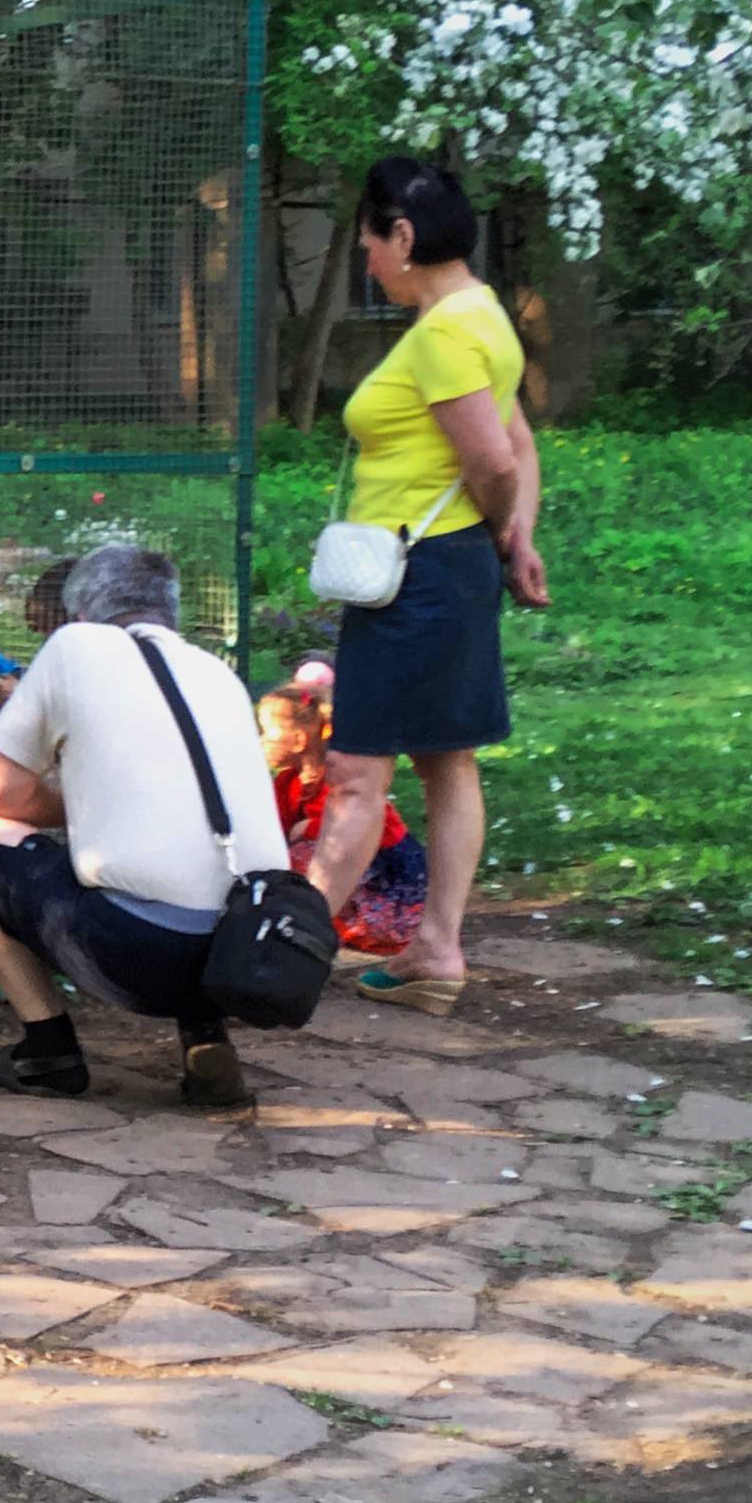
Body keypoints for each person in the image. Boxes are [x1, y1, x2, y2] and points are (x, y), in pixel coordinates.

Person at [301, 160, 549, 1017]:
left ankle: (283, 950)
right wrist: (516, 541)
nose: (367, 258)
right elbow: (519, 444)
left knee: (356, 770)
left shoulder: (445, 332)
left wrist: (498, 524)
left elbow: (492, 459)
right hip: (451, 567)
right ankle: (436, 947)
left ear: (404, 236)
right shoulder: (484, 317)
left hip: (416, 574)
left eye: (372, 240)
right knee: (449, 759)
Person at [0, 545, 289, 1108]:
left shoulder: (76, 646)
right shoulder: (215, 671)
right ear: (169, 612)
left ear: (77, 612)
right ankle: (204, 1036)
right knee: (193, 865)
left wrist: (83, 802)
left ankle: (47, 1049)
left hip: (138, 956)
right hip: (250, 952)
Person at [260, 663, 428, 957]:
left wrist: (307, 828)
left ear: (299, 741)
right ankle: (328, 916)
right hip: (361, 871)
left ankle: (349, 923)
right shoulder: (288, 782)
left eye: (267, 732)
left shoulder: (339, 783)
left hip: (387, 873)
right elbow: (275, 829)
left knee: (305, 853)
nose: (261, 740)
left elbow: (350, 827)